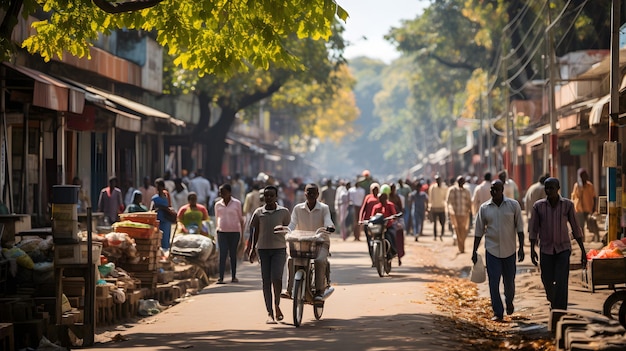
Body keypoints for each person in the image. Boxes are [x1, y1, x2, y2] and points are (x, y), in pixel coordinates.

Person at [529, 177, 587, 311]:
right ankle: (552, 300)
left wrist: (583, 251)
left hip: (563, 248)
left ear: (558, 188)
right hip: (546, 249)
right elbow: (533, 229)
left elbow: (575, 228)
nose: (549, 191)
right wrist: (532, 250)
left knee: (562, 281)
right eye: (546, 188)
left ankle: (560, 310)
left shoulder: (568, 205)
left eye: (552, 188)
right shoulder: (538, 206)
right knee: (546, 279)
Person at [471, 180, 524, 322]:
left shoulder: (513, 205)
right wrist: (474, 251)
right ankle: (498, 312)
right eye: (492, 190)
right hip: (492, 251)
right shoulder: (484, 208)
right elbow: (478, 231)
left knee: (509, 282)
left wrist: (522, 248)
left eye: (497, 189)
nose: (494, 192)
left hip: (510, 250)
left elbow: (519, 228)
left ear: (502, 190)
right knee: (493, 283)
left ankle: (509, 301)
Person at [245, 185, 291, 324]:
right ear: (263, 197)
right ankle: (269, 313)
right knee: (266, 281)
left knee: (276, 278)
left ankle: (277, 304)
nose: (269, 198)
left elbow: (289, 227)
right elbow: (255, 231)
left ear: (276, 197)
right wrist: (252, 249)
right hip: (263, 250)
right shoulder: (259, 212)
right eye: (266, 196)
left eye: (271, 195)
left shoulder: (284, 212)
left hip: (279, 249)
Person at [283, 183, 335, 300]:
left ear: (317, 194)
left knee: (319, 261)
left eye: (313, 193)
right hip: (302, 243)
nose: (310, 195)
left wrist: (329, 226)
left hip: (321, 242)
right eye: (308, 192)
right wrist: (287, 231)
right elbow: (292, 224)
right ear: (304, 194)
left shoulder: (324, 208)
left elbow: (328, 221)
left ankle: (319, 291)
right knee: (291, 259)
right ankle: (289, 290)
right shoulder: (297, 208)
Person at [214, 183, 245, 284]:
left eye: (224, 192)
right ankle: (221, 277)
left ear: (229, 192)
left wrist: (242, 234)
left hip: (234, 232)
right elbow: (217, 218)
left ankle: (234, 276)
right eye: (220, 192)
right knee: (222, 254)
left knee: (233, 254)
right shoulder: (217, 204)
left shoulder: (237, 203)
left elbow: (241, 219)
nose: (221, 194)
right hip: (222, 232)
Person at [369, 184, 398, 259]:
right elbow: (372, 216)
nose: (382, 200)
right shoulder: (376, 207)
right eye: (380, 198)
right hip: (379, 228)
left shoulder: (390, 205)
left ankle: (393, 251)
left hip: (388, 226)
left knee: (390, 236)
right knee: (372, 238)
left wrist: (393, 218)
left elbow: (394, 214)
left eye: (383, 198)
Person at [571, 168, 599, 242]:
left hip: (588, 208)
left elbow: (594, 197)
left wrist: (593, 209)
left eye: (585, 175)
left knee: (592, 224)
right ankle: (582, 241)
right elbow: (574, 197)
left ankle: (596, 238)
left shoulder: (590, 186)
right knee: (581, 226)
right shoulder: (577, 186)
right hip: (579, 209)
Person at [446, 176, 472, 254]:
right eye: (460, 181)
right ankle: (461, 248)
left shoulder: (466, 191)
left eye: (462, 181)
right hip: (455, 214)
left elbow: (469, 201)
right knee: (457, 230)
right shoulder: (452, 190)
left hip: (464, 214)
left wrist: (470, 211)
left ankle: (462, 245)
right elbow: (448, 202)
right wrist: (450, 212)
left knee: (464, 230)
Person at [359, 182, 380, 265]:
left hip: (378, 222)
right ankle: (373, 260)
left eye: (376, 189)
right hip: (368, 222)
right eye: (373, 189)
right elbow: (363, 209)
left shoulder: (381, 197)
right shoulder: (368, 197)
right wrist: (360, 219)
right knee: (369, 241)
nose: (375, 191)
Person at [151, 178, 174, 251]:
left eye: (158, 186)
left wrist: (163, 208)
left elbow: (170, 207)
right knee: (158, 238)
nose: (157, 188)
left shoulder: (167, 196)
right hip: (158, 221)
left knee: (166, 238)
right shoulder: (154, 198)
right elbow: (151, 210)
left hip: (166, 220)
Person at [389, 183, 405, 266]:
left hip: (396, 220)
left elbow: (400, 209)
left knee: (398, 238)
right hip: (388, 221)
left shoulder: (397, 197)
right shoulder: (386, 198)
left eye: (393, 188)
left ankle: (399, 257)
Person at [428, 174, 448, 241]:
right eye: (437, 180)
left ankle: (441, 235)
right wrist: (429, 207)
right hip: (434, 208)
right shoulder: (432, 188)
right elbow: (430, 198)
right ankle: (435, 236)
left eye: (439, 179)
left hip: (442, 208)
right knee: (435, 223)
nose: (438, 181)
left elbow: (446, 198)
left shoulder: (444, 187)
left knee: (442, 223)